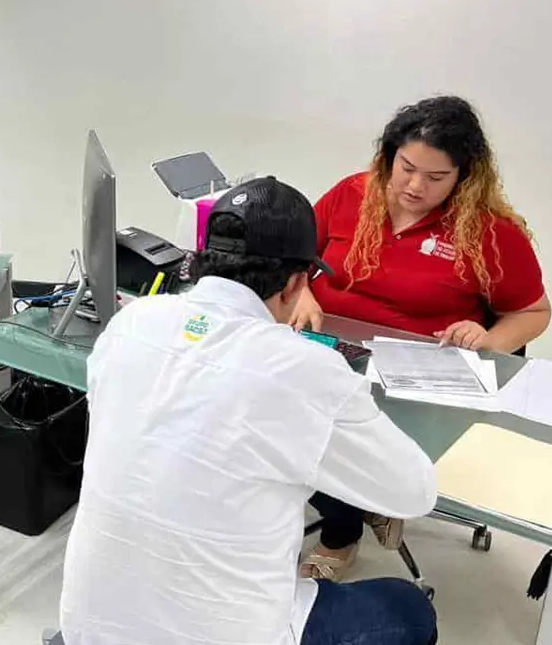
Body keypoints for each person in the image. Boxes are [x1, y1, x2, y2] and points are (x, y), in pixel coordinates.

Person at [60, 176, 439, 645]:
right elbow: (415, 492)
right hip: (227, 634)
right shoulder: (305, 369)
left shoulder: (131, 323)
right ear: (297, 282)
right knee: (407, 609)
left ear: (200, 259)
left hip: (90, 627)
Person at [290, 96, 551, 580]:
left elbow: (533, 312)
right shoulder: (353, 193)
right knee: (277, 410)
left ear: (464, 177)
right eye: (406, 168)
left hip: (415, 378)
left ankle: (342, 532)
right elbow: (296, 257)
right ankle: (374, 496)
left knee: (330, 430)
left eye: (436, 177)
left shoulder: (489, 232)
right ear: (388, 156)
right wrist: (302, 290)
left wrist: (489, 337)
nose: (414, 186)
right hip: (331, 350)